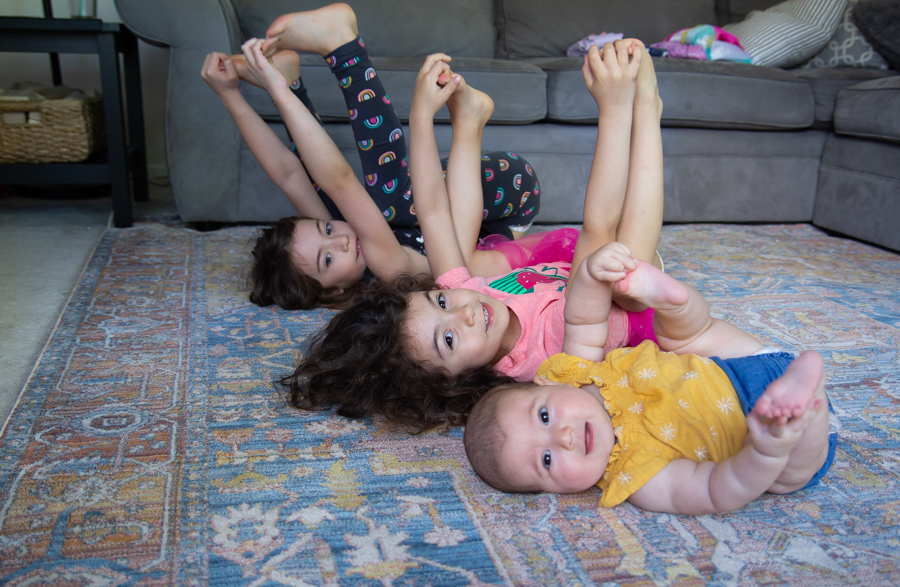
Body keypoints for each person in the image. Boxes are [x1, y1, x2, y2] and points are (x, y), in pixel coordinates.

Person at [282, 39, 665, 430]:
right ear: (453, 384)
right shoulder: (545, 351)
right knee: (621, 280)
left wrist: (422, 114)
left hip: (580, 266)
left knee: (468, 258)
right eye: (448, 340)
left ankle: (469, 120)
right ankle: (648, 111)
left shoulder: (469, 300)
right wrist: (615, 111)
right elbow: (597, 229)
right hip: (642, 306)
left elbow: (433, 211)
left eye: (441, 300)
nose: (464, 313)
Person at [201, 3, 573, 311]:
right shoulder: (387, 271)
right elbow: (341, 182)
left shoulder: (350, 245)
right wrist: (280, 88)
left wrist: (231, 96)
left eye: (326, 231)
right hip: (513, 195)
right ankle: (343, 47)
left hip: (480, 192)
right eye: (327, 260)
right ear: (334, 292)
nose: (339, 240)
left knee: (332, 201)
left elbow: (289, 175)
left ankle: (291, 80)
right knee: (383, 204)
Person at [463, 242, 837, 515]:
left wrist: (592, 275)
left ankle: (674, 301)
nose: (563, 437)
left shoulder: (578, 374)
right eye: (546, 460)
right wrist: (764, 451)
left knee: (687, 338)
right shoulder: (637, 477)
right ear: (555, 492)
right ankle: (803, 408)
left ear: (549, 384)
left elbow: (583, 320)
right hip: (770, 432)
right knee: (784, 474)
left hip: (740, 363)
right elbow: (715, 489)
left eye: (545, 416)